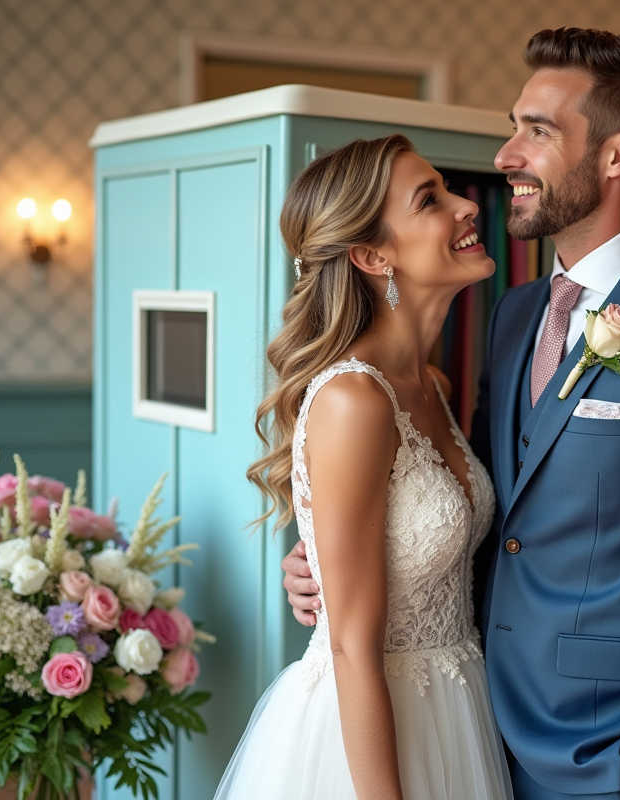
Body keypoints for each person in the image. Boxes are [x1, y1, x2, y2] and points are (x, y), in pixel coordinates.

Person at [284, 28, 620, 800]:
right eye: (514, 125)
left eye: (538, 131)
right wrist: (324, 559)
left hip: (612, 759)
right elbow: (481, 506)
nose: (504, 157)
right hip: (476, 735)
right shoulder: (515, 316)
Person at [217, 134, 512, 800]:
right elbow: (352, 647)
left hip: (458, 705)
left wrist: (315, 557)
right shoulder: (353, 399)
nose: (468, 206)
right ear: (373, 255)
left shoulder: (431, 384)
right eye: (430, 199)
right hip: (370, 732)